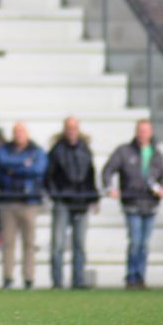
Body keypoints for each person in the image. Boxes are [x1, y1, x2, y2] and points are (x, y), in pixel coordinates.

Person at [102, 119, 163, 290]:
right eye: (140, 130)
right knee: (136, 241)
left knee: (145, 243)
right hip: (132, 203)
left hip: (151, 204)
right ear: (136, 131)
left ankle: (141, 277)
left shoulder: (156, 153)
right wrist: (111, 188)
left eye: (146, 131)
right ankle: (131, 277)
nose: (143, 134)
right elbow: (108, 170)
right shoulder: (124, 151)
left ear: (151, 132)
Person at [45, 117, 98, 289]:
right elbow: (49, 177)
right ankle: (57, 282)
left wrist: (93, 198)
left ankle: (78, 280)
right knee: (58, 244)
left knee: (79, 245)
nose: (71, 131)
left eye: (74, 127)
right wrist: (56, 196)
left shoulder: (85, 149)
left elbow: (90, 175)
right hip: (63, 202)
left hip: (81, 202)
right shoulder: (56, 150)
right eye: (69, 127)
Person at [0, 122, 47, 290]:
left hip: (29, 202)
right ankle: (8, 278)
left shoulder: (36, 150)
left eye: (21, 131)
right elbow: (2, 162)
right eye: (16, 132)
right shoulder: (5, 149)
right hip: (9, 200)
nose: (18, 134)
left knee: (29, 243)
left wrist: (13, 169)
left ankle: (28, 278)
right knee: (8, 243)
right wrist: (24, 164)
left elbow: (38, 170)